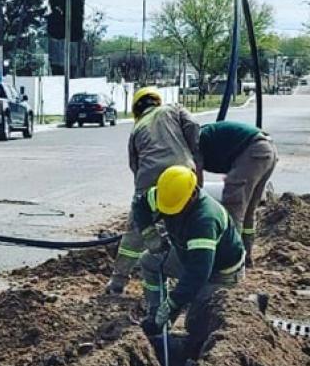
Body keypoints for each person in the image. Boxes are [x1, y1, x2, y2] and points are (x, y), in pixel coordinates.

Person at [132, 166, 245, 351]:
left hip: (220, 272)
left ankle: (248, 305)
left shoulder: (205, 219)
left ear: (192, 195)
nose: (170, 214)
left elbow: (198, 273)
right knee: (149, 263)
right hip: (188, 254)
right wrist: (149, 233)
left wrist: (173, 302)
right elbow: (140, 205)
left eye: (175, 210)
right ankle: (156, 318)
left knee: (196, 325)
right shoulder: (166, 195)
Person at [106, 87, 202, 295]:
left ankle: (117, 282)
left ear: (137, 110)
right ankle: (184, 275)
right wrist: (192, 152)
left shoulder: (137, 127)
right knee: (184, 224)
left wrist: (142, 198)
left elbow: (134, 164)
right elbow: (193, 126)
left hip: (149, 177)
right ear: (156, 102)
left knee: (134, 232)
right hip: (182, 174)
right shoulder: (173, 109)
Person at [198, 120, 277, 267]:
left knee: (232, 208)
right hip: (266, 151)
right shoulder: (203, 134)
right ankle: (245, 256)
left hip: (253, 152)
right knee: (248, 211)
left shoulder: (193, 141)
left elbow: (196, 183)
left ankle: (229, 262)